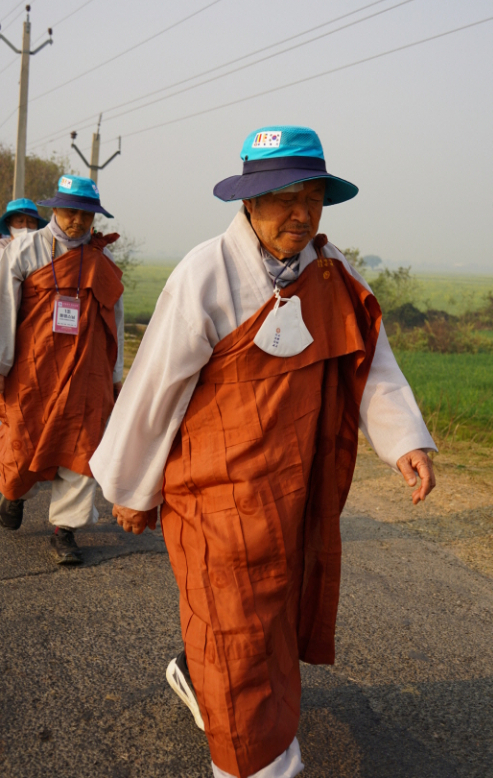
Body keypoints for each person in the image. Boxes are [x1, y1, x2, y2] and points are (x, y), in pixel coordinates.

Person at [90, 126, 436, 778]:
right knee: (244, 640)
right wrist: (132, 489)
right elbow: (155, 388)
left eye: (311, 197)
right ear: (249, 202)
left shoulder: (331, 275)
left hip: (293, 490)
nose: (300, 214)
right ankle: (258, 762)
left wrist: (405, 442)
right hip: (214, 496)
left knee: (263, 623)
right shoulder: (206, 274)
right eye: (282, 197)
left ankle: (202, 673)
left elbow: (372, 366)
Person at [0, 175, 124, 565]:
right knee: (22, 436)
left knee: (82, 445)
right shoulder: (24, 249)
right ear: (55, 209)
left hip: (87, 371)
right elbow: (4, 308)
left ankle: (65, 530)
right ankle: (14, 492)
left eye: (86, 215)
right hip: (31, 365)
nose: (78, 221)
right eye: (71, 211)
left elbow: (114, 320)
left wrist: (116, 373)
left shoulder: (102, 262)